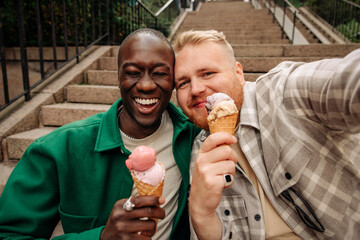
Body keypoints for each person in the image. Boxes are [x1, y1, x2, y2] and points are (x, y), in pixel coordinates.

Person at [0, 28, 200, 239]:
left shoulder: (193, 136)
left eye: (160, 73)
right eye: (133, 72)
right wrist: (101, 237)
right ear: (118, 77)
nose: (146, 85)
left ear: (174, 81)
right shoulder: (58, 150)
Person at [173, 30, 360, 240]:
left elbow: (344, 80)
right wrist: (201, 215)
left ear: (239, 74)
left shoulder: (284, 93)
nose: (196, 89)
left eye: (208, 73)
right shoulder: (198, 156)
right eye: (183, 83)